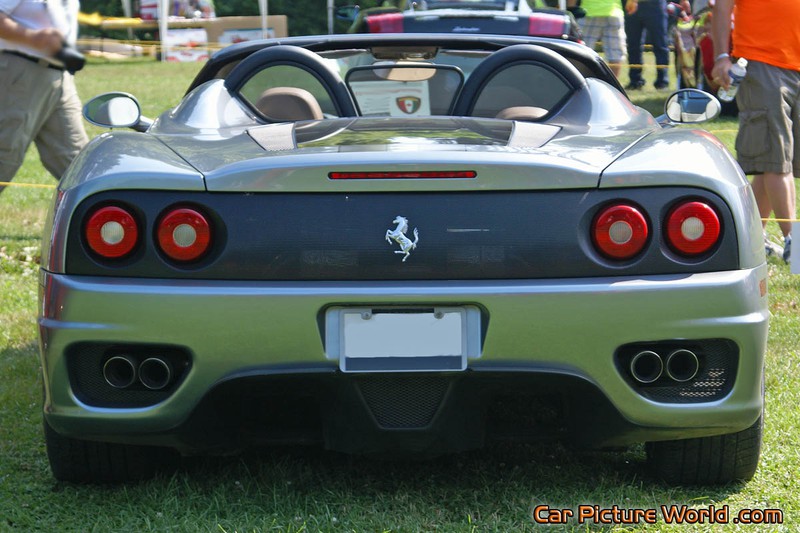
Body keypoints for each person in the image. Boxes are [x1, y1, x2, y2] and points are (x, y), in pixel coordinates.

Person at [710, 0, 798, 263]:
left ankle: (750, 238)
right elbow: (722, 8)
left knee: (773, 161)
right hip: (761, 64)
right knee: (776, 161)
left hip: (794, 67)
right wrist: (721, 57)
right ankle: (795, 245)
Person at [0, 0, 88, 195]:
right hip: (19, 71)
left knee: (77, 163)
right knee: (4, 156)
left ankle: (98, 220)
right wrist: (33, 38)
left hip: (59, 76)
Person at [623, 0, 677, 90]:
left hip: (655, 5)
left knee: (660, 44)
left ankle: (662, 81)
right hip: (631, 3)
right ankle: (635, 81)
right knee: (633, 45)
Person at [568, 0, 627, 77]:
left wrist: (570, 8)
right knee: (615, 55)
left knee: (580, 51)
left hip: (589, 12)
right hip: (614, 13)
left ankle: (580, 81)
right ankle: (613, 86)